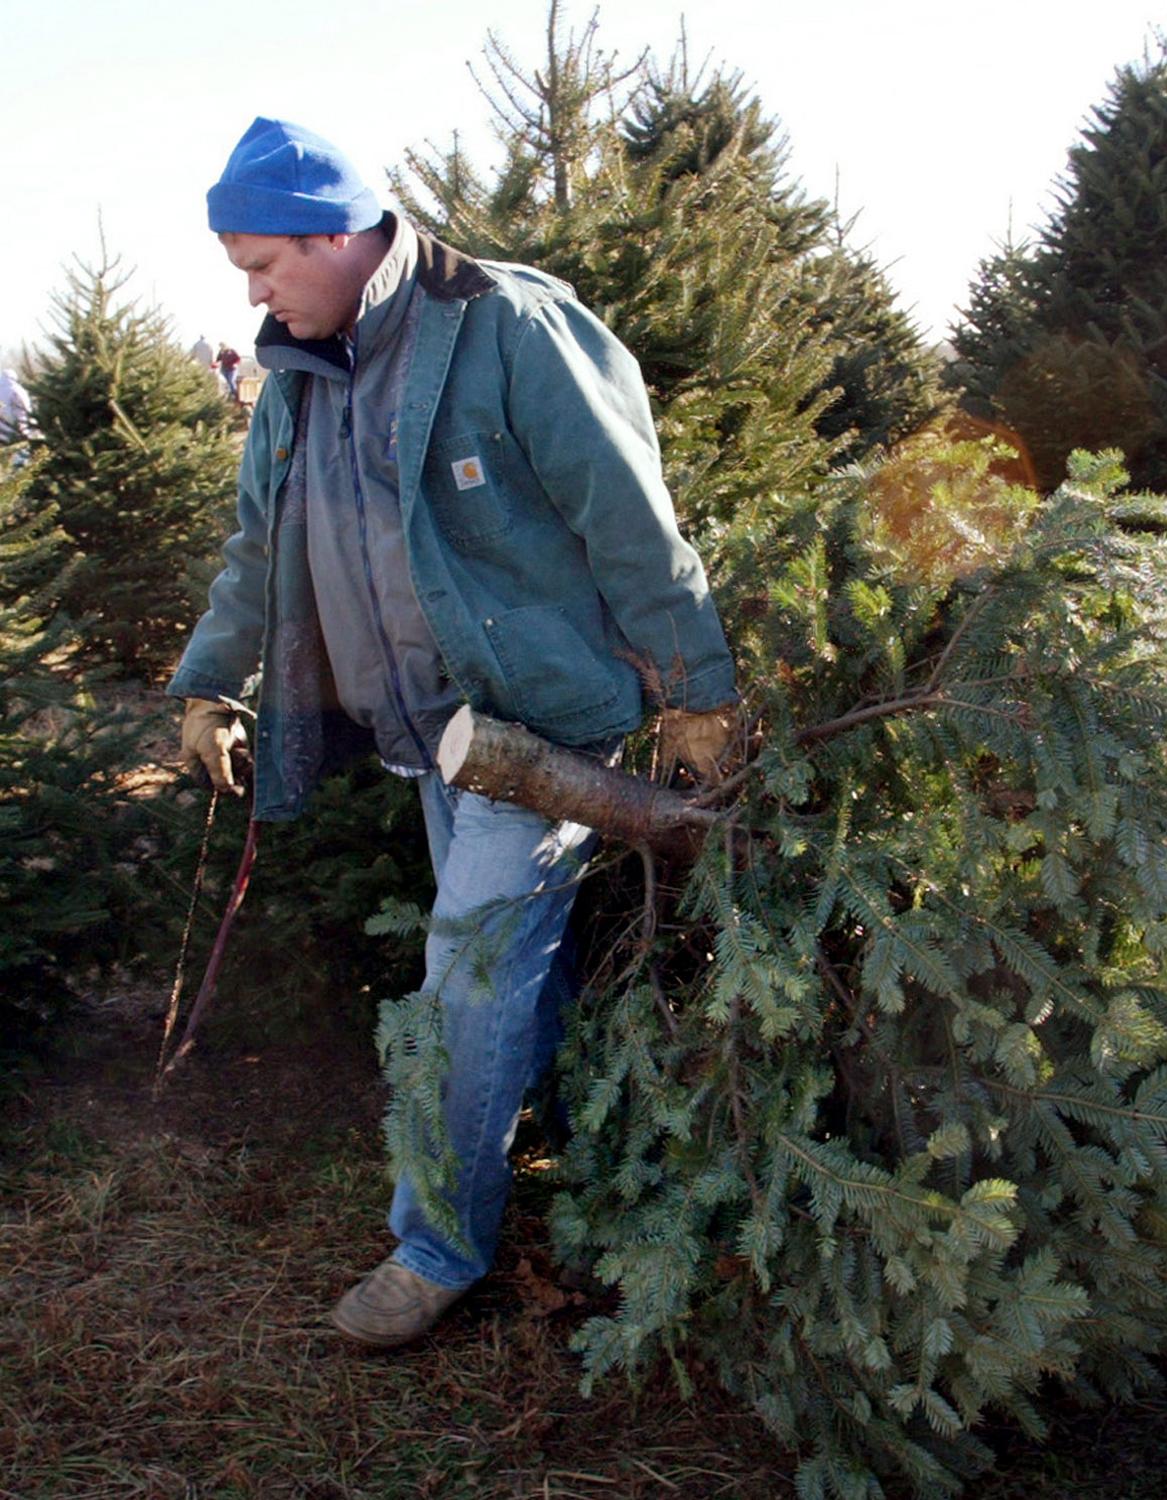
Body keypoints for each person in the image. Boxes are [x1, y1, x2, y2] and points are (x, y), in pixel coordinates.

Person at [169, 117, 740, 1348]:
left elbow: (625, 514)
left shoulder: (501, 326)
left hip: (536, 740)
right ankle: (582, 1151)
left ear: (339, 232)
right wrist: (210, 684)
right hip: (426, 738)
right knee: (501, 971)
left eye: (264, 264)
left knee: (463, 990)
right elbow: (256, 553)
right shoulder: (294, 382)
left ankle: (437, 1247)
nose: (254, 293)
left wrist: (696, 687)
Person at [0, 366, 36, 443]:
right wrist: (24, 430)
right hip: (17, 431)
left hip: (2, 433)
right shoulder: (17, 390)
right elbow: (22, 410)